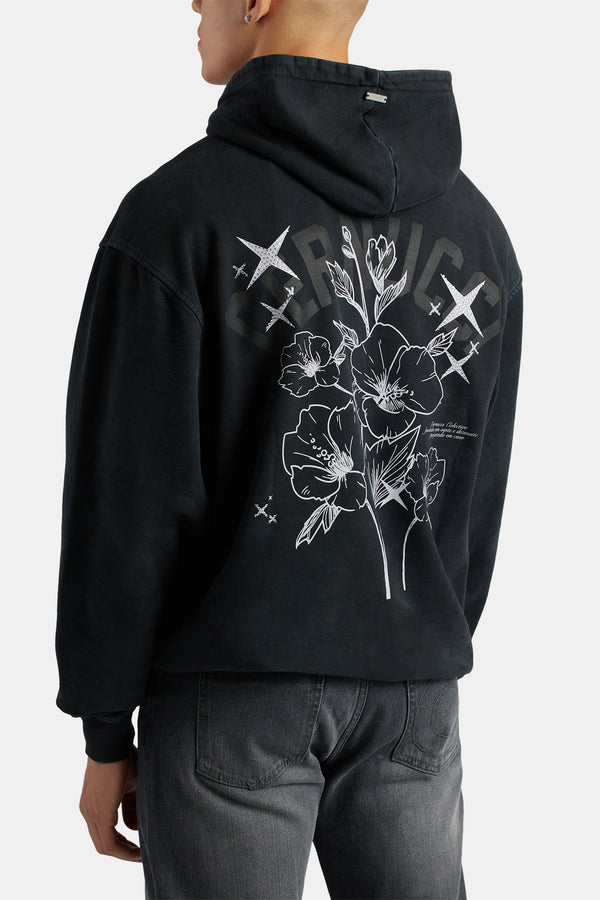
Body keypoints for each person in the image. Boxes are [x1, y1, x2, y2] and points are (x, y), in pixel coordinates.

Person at [54, 0, 523, 897]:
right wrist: (418, 634)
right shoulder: (478, 230)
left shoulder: (175, 214)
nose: (194, 4)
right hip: (414, 693)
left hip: (232, 694)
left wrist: (105, 729)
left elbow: (125, 500)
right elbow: (476, 487)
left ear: (257, 2)